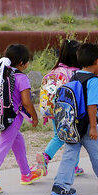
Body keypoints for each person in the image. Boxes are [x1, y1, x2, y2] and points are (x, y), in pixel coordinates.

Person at [49, 42, 98, 195]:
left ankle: (60, 185)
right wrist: (92, 127)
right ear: (97, 61)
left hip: (71, 125)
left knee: (70, 155)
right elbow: (92, 105)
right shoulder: (94, 81)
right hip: (87, 125)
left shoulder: (74, 75)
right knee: (97, 154)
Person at [0, 44, 41, 193]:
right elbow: (26, 102)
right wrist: (34, 116)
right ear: (21, 63)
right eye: (27, 61)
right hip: (12, 118)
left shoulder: (3, 73)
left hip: (1, 115)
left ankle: (26, 174)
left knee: (18, 142)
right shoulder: (21, 78)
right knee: (3, 146)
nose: (27, 64)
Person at [35, 38, 85, 178]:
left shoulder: (56, 70)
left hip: (54, 110)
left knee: (60, 136)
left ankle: (74, 165)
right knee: (72, 137)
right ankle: (46, 158)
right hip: (69, 112)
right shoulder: (75, 73)